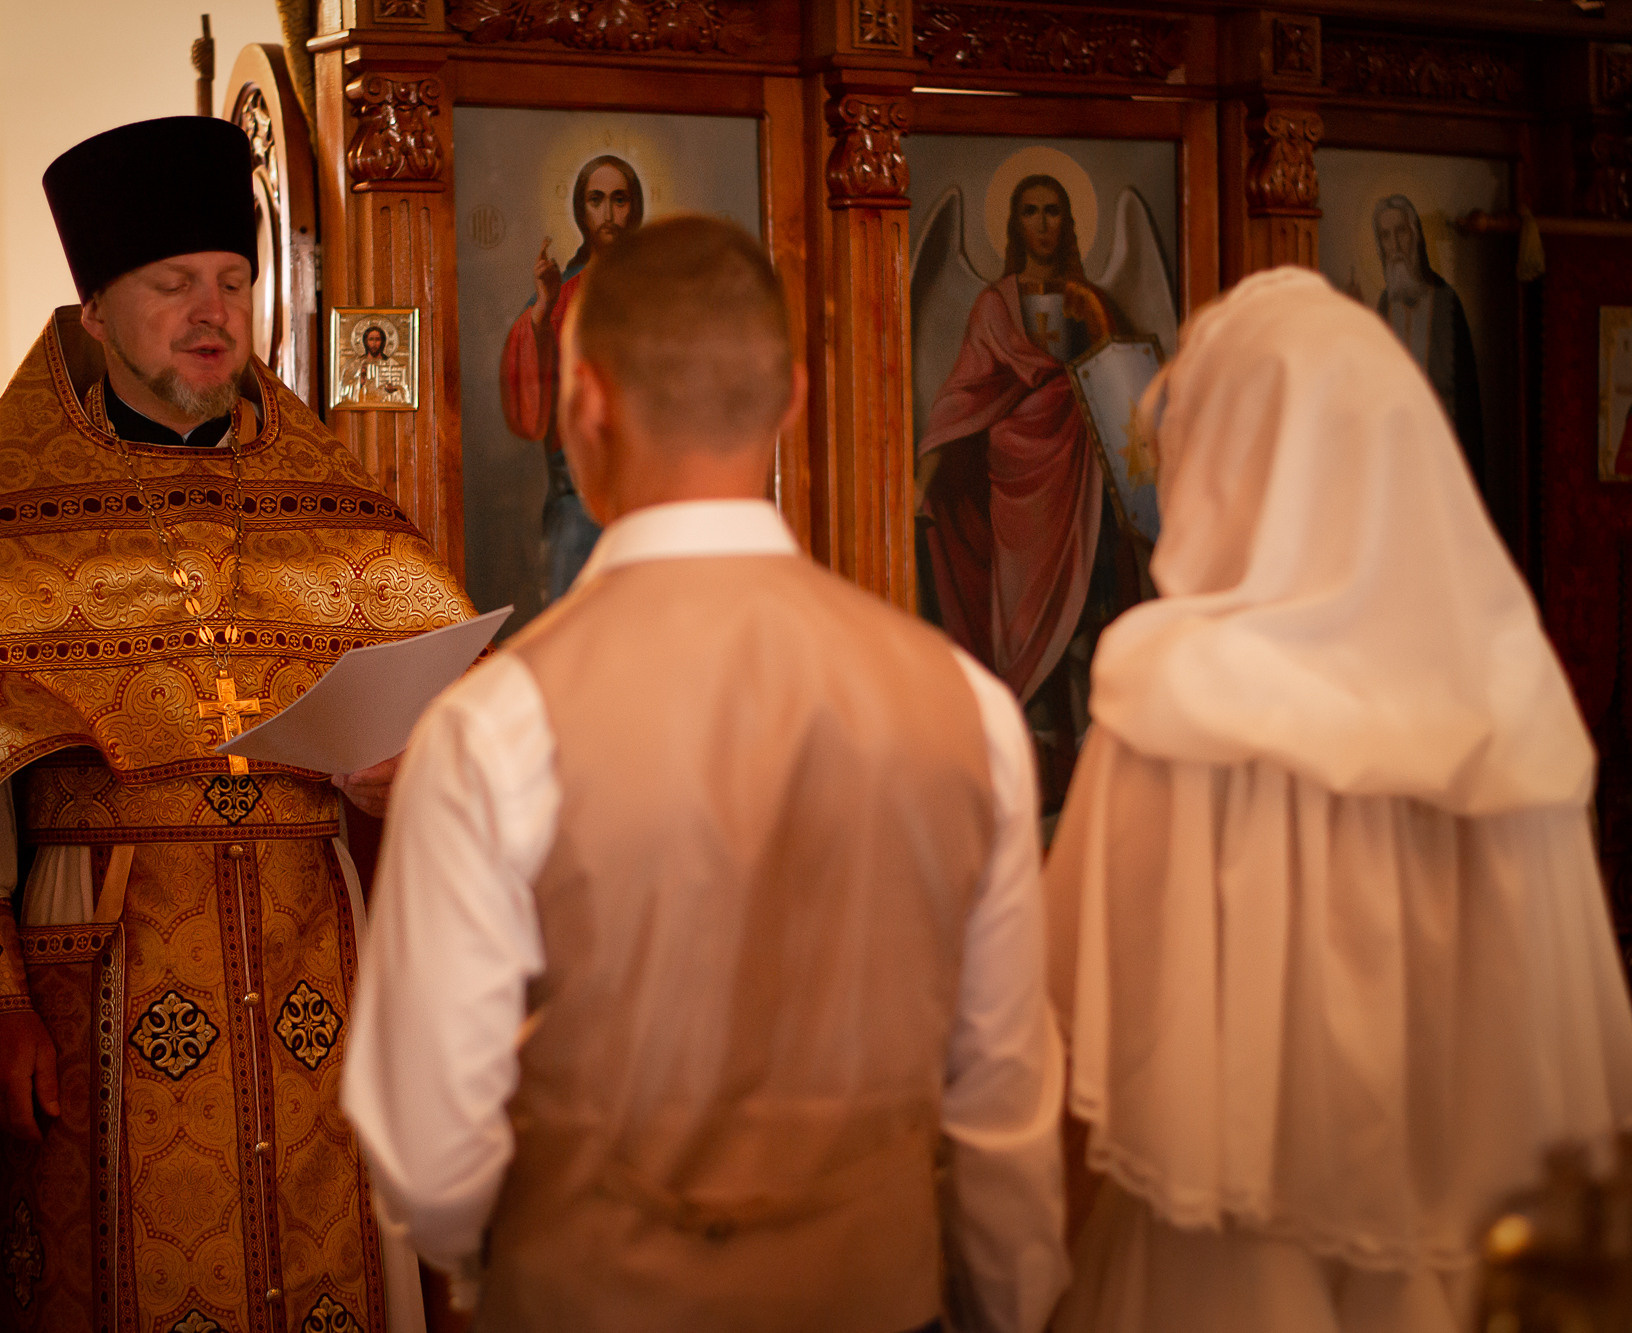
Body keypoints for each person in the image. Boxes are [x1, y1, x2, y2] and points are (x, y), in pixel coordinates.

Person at [343, 216, 1069, 1333]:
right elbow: (1004, 1096)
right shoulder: (964, 703)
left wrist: (512, 1264)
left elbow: (429, 1150)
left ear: (582, 401)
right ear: (790, 396)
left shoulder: (493, 726)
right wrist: (1005, 1307)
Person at [0, 117, 470, 1333]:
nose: (208, 310)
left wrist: (411, 779)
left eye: (231, 281)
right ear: (98, 311)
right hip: (100, 959)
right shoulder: (2, 533)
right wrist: (2, 1004)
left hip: (313, 950)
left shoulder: (337, 507)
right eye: (171, 285)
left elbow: (453, 721)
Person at [1044, 267, 1632, 1333]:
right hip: (1480, 1269)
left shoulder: (1167, 690)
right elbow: (1566, 1057)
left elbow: (1080, 1037)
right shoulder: (1515, 697)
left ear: (1226, 458)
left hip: (1209, 1267)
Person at [916, 175, 1137, 805]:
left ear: (1069, 223)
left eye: (1054, 213)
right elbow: (961, 398)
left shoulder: (1090, 304)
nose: (1043, 224)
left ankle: (1093, 778)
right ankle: (1026, 781)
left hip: (1084, 485)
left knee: (1089, 629)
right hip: (1017, 488)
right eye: (1031, 213)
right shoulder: (994, 308)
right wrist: (921, 483)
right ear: (1015, 225)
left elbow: (1120, 392)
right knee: (1023, 631)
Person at [498, 154, 643, 603]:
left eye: (619, 200)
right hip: (576, 491)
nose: (607, 214)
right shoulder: (562, 292)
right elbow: (530, 406)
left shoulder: (658, 289)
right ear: (581, 210)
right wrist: (541, 312)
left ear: (633, 207)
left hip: (651, 483)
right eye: (595, 200)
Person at [1372, 195, 1485, 485]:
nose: (1394, 246)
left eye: (1401, 232)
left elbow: (1466, 401)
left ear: (1416, 236)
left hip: (1439, 463)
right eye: (1385, 237)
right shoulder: (1384, 307)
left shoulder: (1446, 303)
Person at [338, 321, 409, 406]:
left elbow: (405, 393)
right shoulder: (356, 364)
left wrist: (394, 390)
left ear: (383, 342)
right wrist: (358, 383)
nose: (374, 343)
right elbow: (342, 391)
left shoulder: (392, 363)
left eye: (377, 339)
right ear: (365, 341)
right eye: (371, 339)